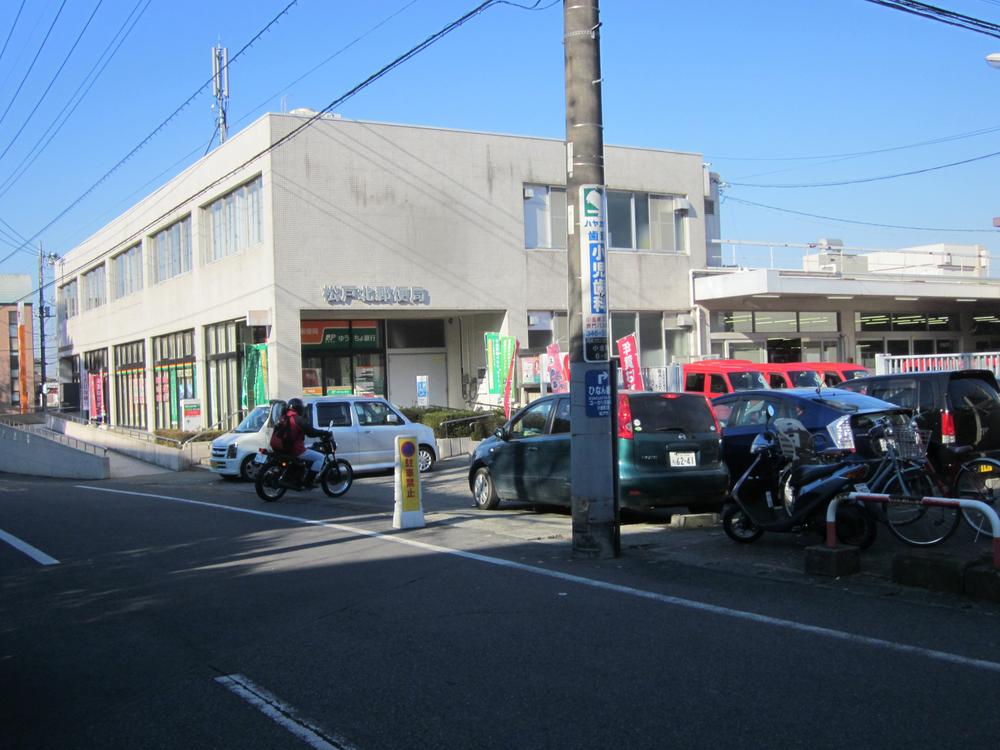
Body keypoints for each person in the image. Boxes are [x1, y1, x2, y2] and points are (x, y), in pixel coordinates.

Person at [284, 398, 333, 486]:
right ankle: (309, 481)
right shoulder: (298, 419)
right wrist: (324, 433)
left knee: (307, 450)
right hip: (294, 449)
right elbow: (311, 433)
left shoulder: (283, 417)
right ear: (299, 408)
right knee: (320, 457)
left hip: (280, 447)